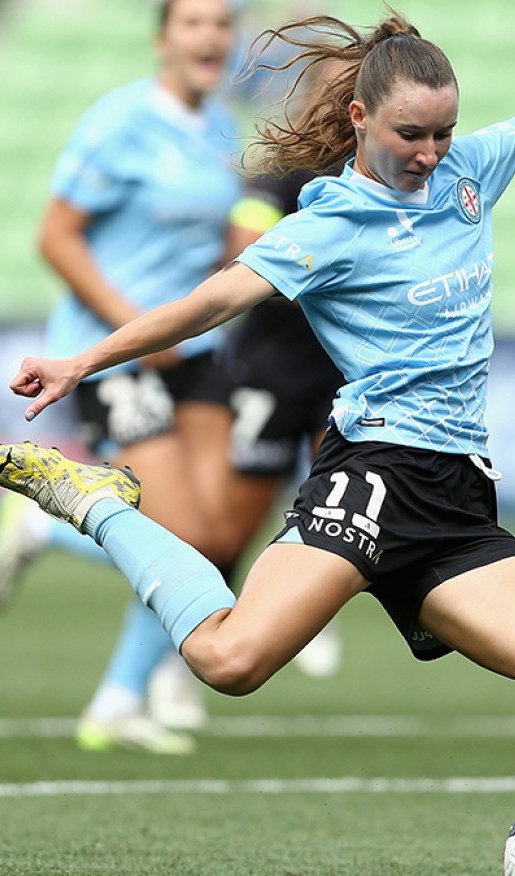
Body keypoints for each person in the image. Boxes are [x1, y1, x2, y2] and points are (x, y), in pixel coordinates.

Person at [0, 4, 515, 874]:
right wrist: (86, 359)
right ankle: (94, 504)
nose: (429, 152)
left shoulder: (466, 174)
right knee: (231, 660)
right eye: (411, 134)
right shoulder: (328, 225)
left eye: (443, 131)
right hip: (374, 479)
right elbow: (210, 301)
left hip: (457, 495)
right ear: (358, 119)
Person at [0, 0, 242, 753]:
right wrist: (132, 324)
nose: (210, 37)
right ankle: (44, 522)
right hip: (114, 350)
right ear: (163, 38)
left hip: (194, 355)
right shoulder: (120, 120)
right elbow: (54, 237)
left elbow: (218, 235)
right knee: (180, 530)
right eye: (193, 23)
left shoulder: (222, 131)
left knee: (216, 535)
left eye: (222, 24)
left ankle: (119, 700)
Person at [219, 157, 348, 679]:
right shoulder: (280, 176)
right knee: (229, 531)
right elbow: (242, 250)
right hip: (269, 372)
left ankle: (307, 616)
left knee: (336, 502)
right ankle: (181, 654)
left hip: (342, 370)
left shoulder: (384, 175)